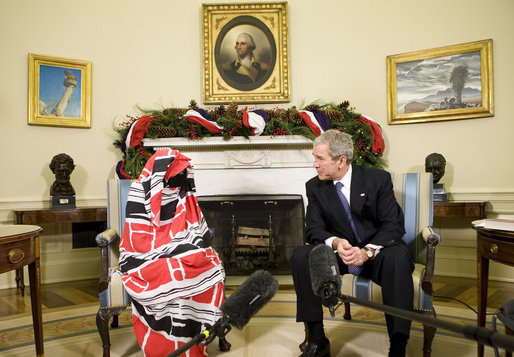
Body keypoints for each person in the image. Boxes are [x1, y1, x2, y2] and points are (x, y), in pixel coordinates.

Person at [291, 130, 414, 357]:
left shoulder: (378, 179)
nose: (314, 165)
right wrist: (336, 242)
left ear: (341, 161)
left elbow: (394, 225)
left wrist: (367, 252)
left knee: (397, 257)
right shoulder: (315, 187)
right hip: (341, 254)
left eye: (320, 159)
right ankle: (317, 339)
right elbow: (313, 229)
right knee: (301, 256)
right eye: (314, 158)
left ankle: (398, 346)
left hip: (377, 254)